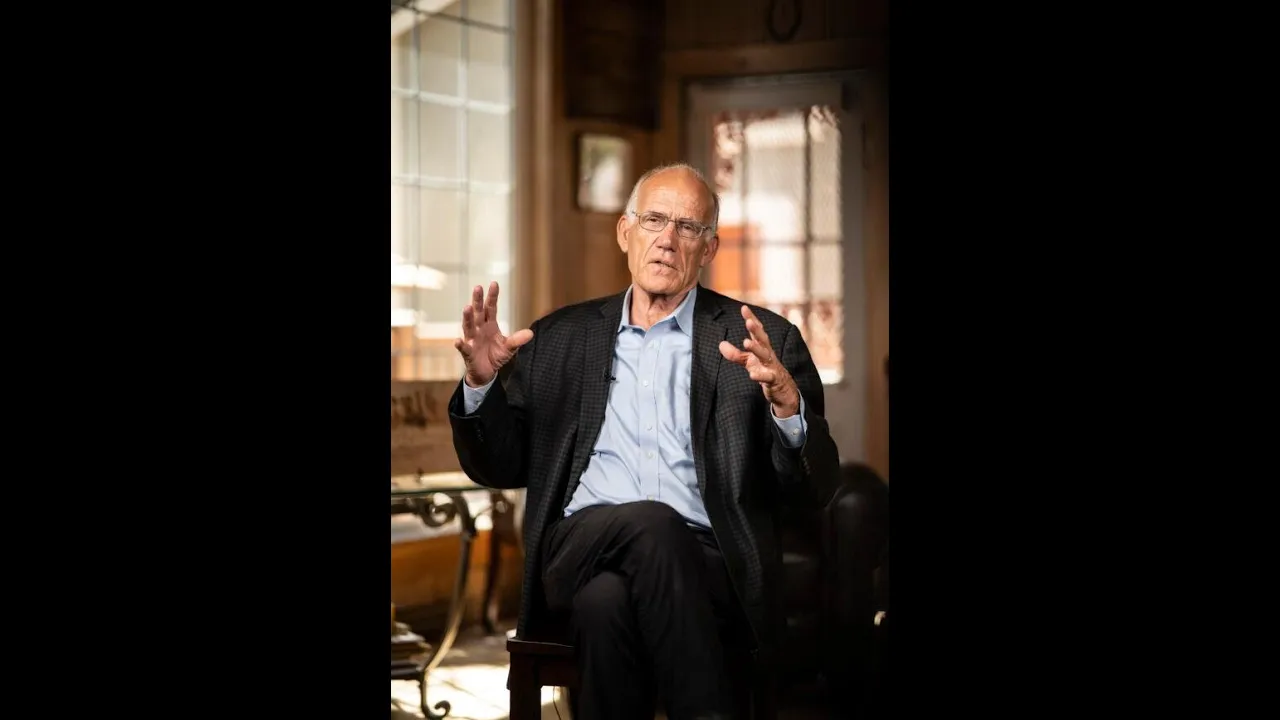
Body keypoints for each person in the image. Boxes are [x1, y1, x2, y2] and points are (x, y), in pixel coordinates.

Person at [448, 162, 842, 720]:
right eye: (654, 220)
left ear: (708, 249)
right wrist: (481, 385)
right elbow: (498, 466)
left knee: (605, 603)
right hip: (578, 545)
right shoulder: (560, 336)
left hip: (709, 560)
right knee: (653, 523)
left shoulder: (762, 341)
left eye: (688, 227)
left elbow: (814, 489)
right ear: (625, 232)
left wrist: (786, 407)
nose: (667, 240)